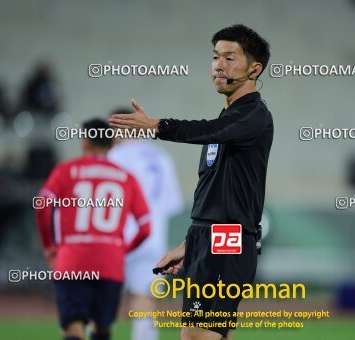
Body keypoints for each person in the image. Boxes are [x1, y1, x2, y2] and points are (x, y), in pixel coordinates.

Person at [110, 24, 273, 340]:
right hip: (210, 238)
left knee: (196, 336)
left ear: (255, 69)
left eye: (229, 57)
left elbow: (208, 130)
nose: (218, 65)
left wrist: (157, 126)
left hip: (227, 239)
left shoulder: (253, 116)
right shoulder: (228, 121)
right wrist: (190, 244)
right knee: (211, 336)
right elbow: (212, 193)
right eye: (215, 57)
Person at [35, 119, 151, 340]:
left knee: (74, 328)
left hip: (72, 261)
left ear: (85, 142)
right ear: (112, 145)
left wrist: (49, 246)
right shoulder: (127, 178)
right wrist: (122, 250)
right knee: (102, 328)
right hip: (110, 263)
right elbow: (145, 228)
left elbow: (42, 206)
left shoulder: (66, 171)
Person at [108, 108, 184, 340]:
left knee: (100, 297)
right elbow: (174, 205)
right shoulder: (160, 156)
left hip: (116, 239)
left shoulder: (114, 157)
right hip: (152, 239)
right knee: (144, 299)